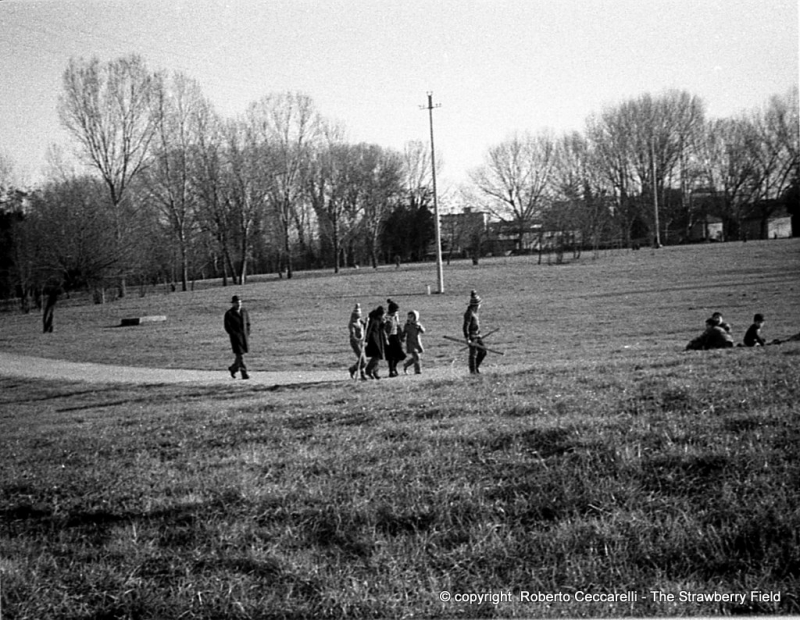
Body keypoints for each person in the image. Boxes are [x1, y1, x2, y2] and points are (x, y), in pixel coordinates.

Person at [224, 295, 251, 379]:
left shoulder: (244, 311)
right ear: (233, 304)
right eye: (236, 303)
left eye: (239, 302)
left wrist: (247, 332)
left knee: (240, 355)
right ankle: (244, 372)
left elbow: (248, 323)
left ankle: (233, 368)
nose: (238, 304)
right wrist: (234, 334)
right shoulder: (229, 313)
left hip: (244, 337)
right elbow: (227, 327)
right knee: (240, 355)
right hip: (235, 338)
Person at [463, 290, 487, 374]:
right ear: (476, 305)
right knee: (473, 355)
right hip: (472, 336)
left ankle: (476, 367)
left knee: (483, 351)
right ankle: (473, 371)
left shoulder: (475, 312)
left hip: (477, 336)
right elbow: (465, 326)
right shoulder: (469, 313)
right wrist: (467, 338)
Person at [384, 299, 406, 377]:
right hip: (389, 338)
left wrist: (401, 335)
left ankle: (394, 367)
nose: (396, 313)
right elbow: (384, 328)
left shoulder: (395, 316)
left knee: (401, 355)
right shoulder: (386, 318)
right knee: (391, 356)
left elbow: (398, 325)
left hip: (396, 336)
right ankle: (391, 370)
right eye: (395, 311)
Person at [364, 305, 387, 379]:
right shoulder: (373, 319)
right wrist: (366, 340)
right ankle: (369, 369)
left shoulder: (380, 319)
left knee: (378, 356)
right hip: (373, 339)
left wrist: (384, 323)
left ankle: (375, 372)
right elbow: (368, 329)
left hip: (378, 338)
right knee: (377, 355)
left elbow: (381, 328)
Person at [348, 303, 368, 380]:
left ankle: (363, 374)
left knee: (363, 359)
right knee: (363, 360)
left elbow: (364, 329)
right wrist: (358, 340)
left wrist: (367, 322)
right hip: (355, 343)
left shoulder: (361, 322)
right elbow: (353, 334)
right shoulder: (352, 324)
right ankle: (353, 369)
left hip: (361, 341)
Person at [402, 310, 426, 375]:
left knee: (417, 357)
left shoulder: (417, 324)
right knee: (416, 356)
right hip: (410, 342)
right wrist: (402, 338)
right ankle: (418, 371)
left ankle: (406, 364)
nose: (409, 318)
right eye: (408, 317)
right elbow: (404, 332)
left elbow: (423, 331)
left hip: (417, 342)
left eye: (411, 317)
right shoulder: (407, 325)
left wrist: (419, 327)